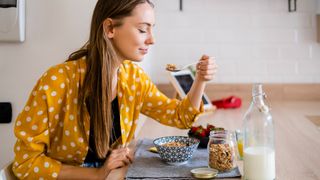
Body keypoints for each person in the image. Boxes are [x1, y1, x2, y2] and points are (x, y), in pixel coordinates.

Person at [12, 0, 217, 179]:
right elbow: (25, 164)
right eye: (143, 29)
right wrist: (96, 174)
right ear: (110, 28)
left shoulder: (134, 78)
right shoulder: (57, 81)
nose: (152, 39)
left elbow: (179, 117)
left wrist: (200, 80)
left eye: (152, 29)